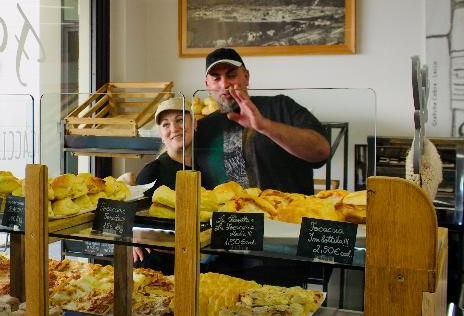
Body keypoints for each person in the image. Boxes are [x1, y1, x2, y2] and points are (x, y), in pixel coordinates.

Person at [194, 48, 330, 195]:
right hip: (227, 216)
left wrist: (264, 125)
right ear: (207, 85)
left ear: (246, 76)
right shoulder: (203, 127)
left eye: (231, 75)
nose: (224, 84)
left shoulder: (280, 106)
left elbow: (321, 151)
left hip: (286, 215)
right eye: (216, 78)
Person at [132, 97, 193, 273]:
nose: (174, 129)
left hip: (188, 264)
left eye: (180, 120)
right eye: (166, 125)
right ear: (161, 134)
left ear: (194, 125)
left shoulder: (201, 169)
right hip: (153, 269)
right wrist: (131, 235)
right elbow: (132, 216)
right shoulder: (153, 171)